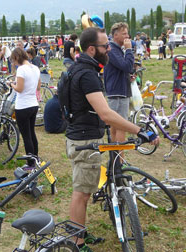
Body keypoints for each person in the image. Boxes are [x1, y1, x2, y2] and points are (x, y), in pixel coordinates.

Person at [66, 27, 159, 252]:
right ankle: (76, 243)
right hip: (84, 140)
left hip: (82, 135)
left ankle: (80, 234)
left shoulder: (80, 68)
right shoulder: (87, 74)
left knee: (85, 190)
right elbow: (106, 114)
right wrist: (139, 130)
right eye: (104, 46)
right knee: (82, 193)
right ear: (91, 49)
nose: (108, 49)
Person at [10, 47, 41, 169]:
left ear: (17, 57)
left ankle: (30, 163)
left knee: (26, 135)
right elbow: (38, 87)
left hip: (23, 105)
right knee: (32, 133)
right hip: (33, 103)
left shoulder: (21, 69)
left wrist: (12, 84)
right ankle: (36, 157)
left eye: (13, 60)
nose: (13, 63)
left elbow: (19, 88)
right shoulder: (35, 68)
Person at [104, 22, 134, 144]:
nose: (127, 36)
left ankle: (115, 157)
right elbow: (127, 66)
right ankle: (119, 159)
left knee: (115, 126)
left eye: (127, 33)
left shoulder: (115, 50)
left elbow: (122, 68)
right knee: (121, 125)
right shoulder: (112, 50)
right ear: (115, 35)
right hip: (118, 92)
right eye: (124, 34)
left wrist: (127, 76)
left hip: (118, 90)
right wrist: (129, 50)